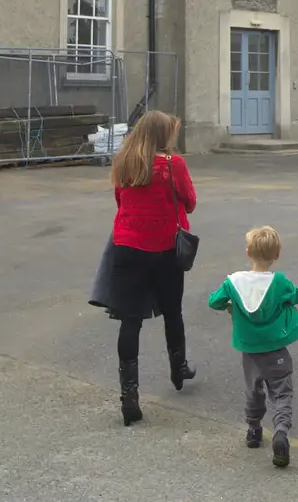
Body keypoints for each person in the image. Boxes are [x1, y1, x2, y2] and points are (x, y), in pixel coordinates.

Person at [107, 109, 197, 426]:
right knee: (173, 311)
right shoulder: (174, 165)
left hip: (128, 248)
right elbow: (189, 202)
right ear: (163, 136)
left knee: (130, 321)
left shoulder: (124, 162)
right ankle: (178, 367)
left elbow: (121, 202)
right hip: (166, 249)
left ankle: (129, 394)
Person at [208, 226, 298, 468]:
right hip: (275, 350)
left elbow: (214, 301)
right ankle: (281, 432)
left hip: (250, 352)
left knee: (253, 391)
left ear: (247, 252)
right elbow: (297, 296)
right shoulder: (279, 281)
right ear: (277, 253)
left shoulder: (234, 281)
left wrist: (230, 305)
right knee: (282, 393)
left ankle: (254, 430)